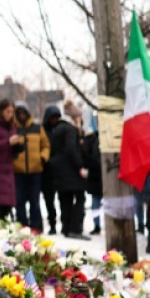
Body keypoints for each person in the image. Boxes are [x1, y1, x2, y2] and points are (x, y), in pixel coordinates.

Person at [50, 100, 89, 240]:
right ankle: (75, 229)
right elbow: (72, 150)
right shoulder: (71, 130)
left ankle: (66, 228)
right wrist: (80, 167)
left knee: (65, 200)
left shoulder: (57, 129)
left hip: (60, 172)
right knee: (79, 198)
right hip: (72, 171)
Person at [12, 101, 50, 232]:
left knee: (35, 200)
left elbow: (46, 145)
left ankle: (36, 226)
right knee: (19, 201)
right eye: (19, 113)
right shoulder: (13, 130)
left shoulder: (37, 128)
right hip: (18, 171)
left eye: (24, 112)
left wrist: (42, 157)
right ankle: (21, 227)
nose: (22, 115)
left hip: (35, 170)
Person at [41, 105, 61, 234]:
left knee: (62, 199)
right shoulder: (43, 131)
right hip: (46, 171)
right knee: (49, 200)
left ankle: (62, 223)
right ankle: (52, 223)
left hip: (59, 170)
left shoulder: (60, 130)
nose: (54, 121)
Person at [82, 117, 102, 235]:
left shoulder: (92, 139)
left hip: (100, 175)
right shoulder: (92, 139)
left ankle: (98, 224)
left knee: (99, 202)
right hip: (96, 176)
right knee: (96, 202)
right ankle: (97, 225)